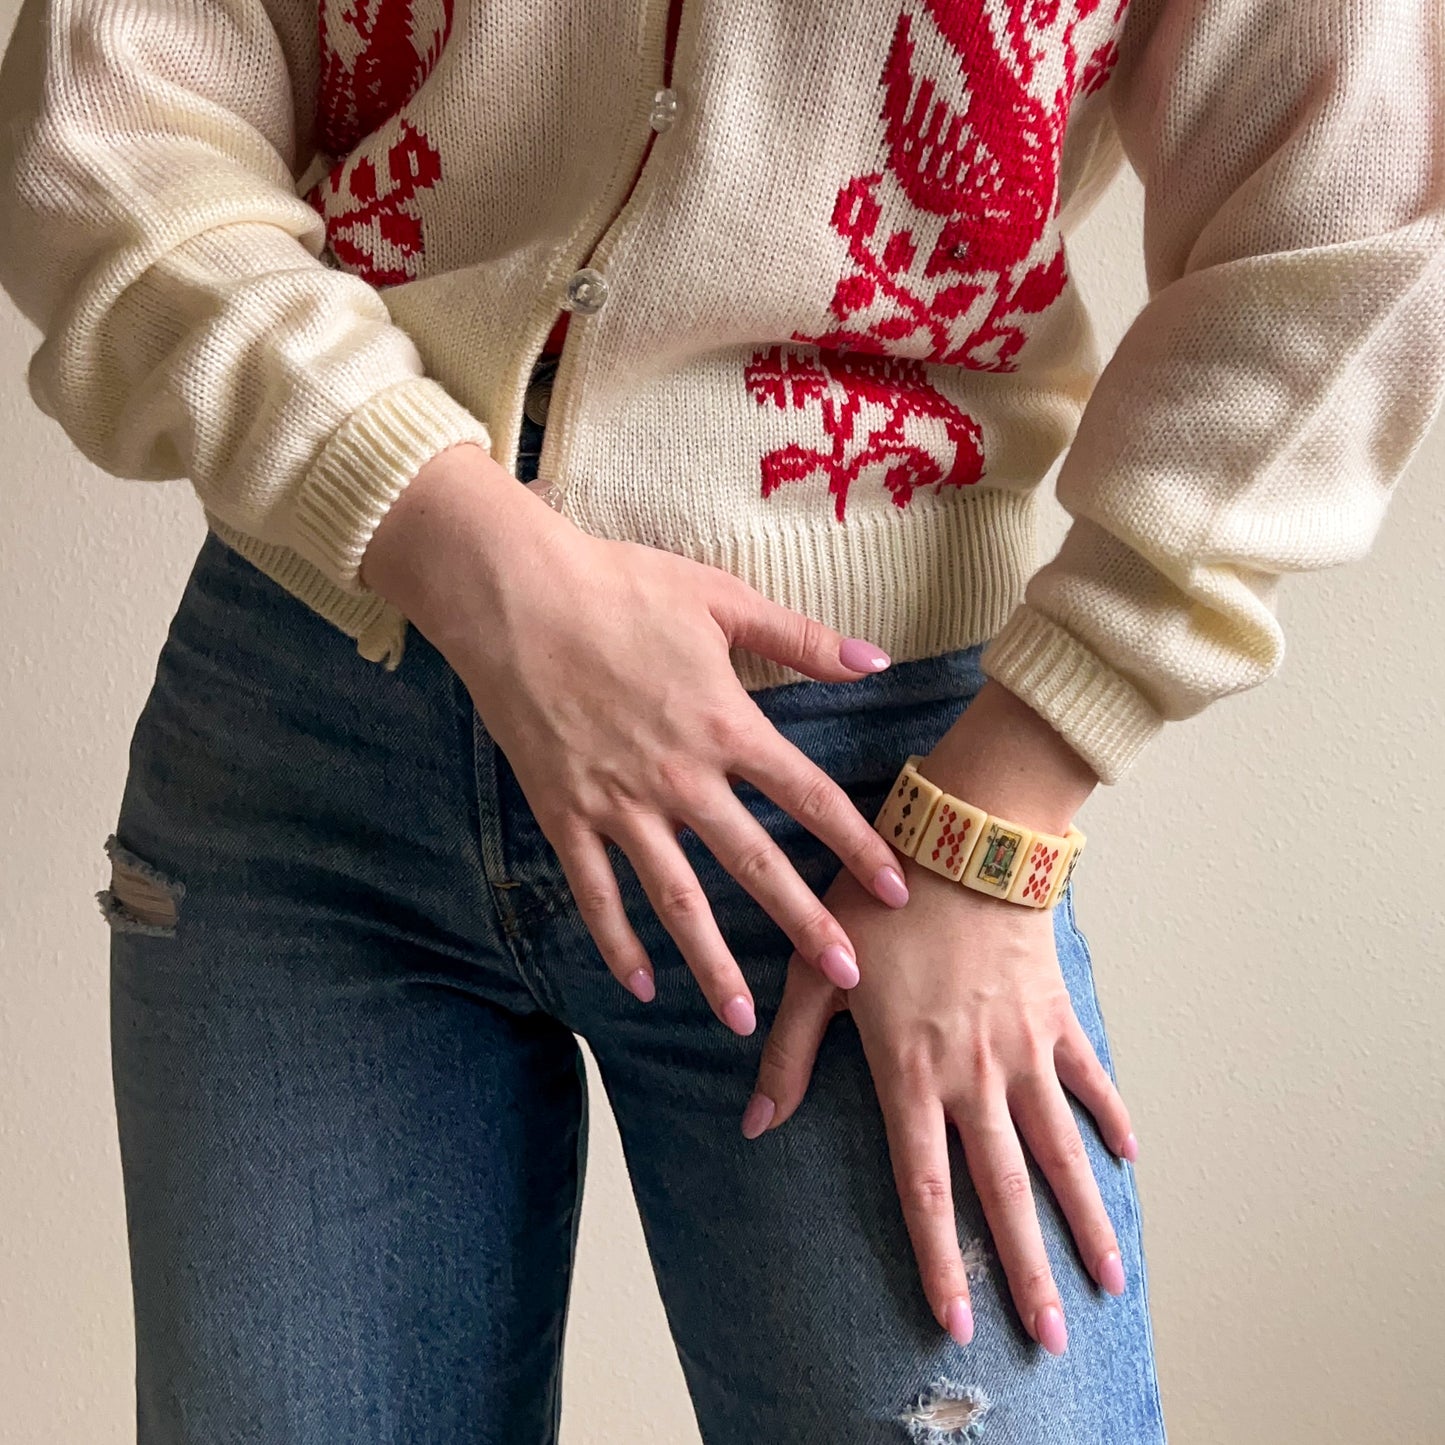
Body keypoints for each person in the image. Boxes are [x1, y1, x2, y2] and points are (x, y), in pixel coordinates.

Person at [1, 0, 1440, 1439]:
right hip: (313, 730)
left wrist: (1009, 801)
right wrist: (462, 542)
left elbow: (1348, 218)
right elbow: (107, 124)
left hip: (867, 817)